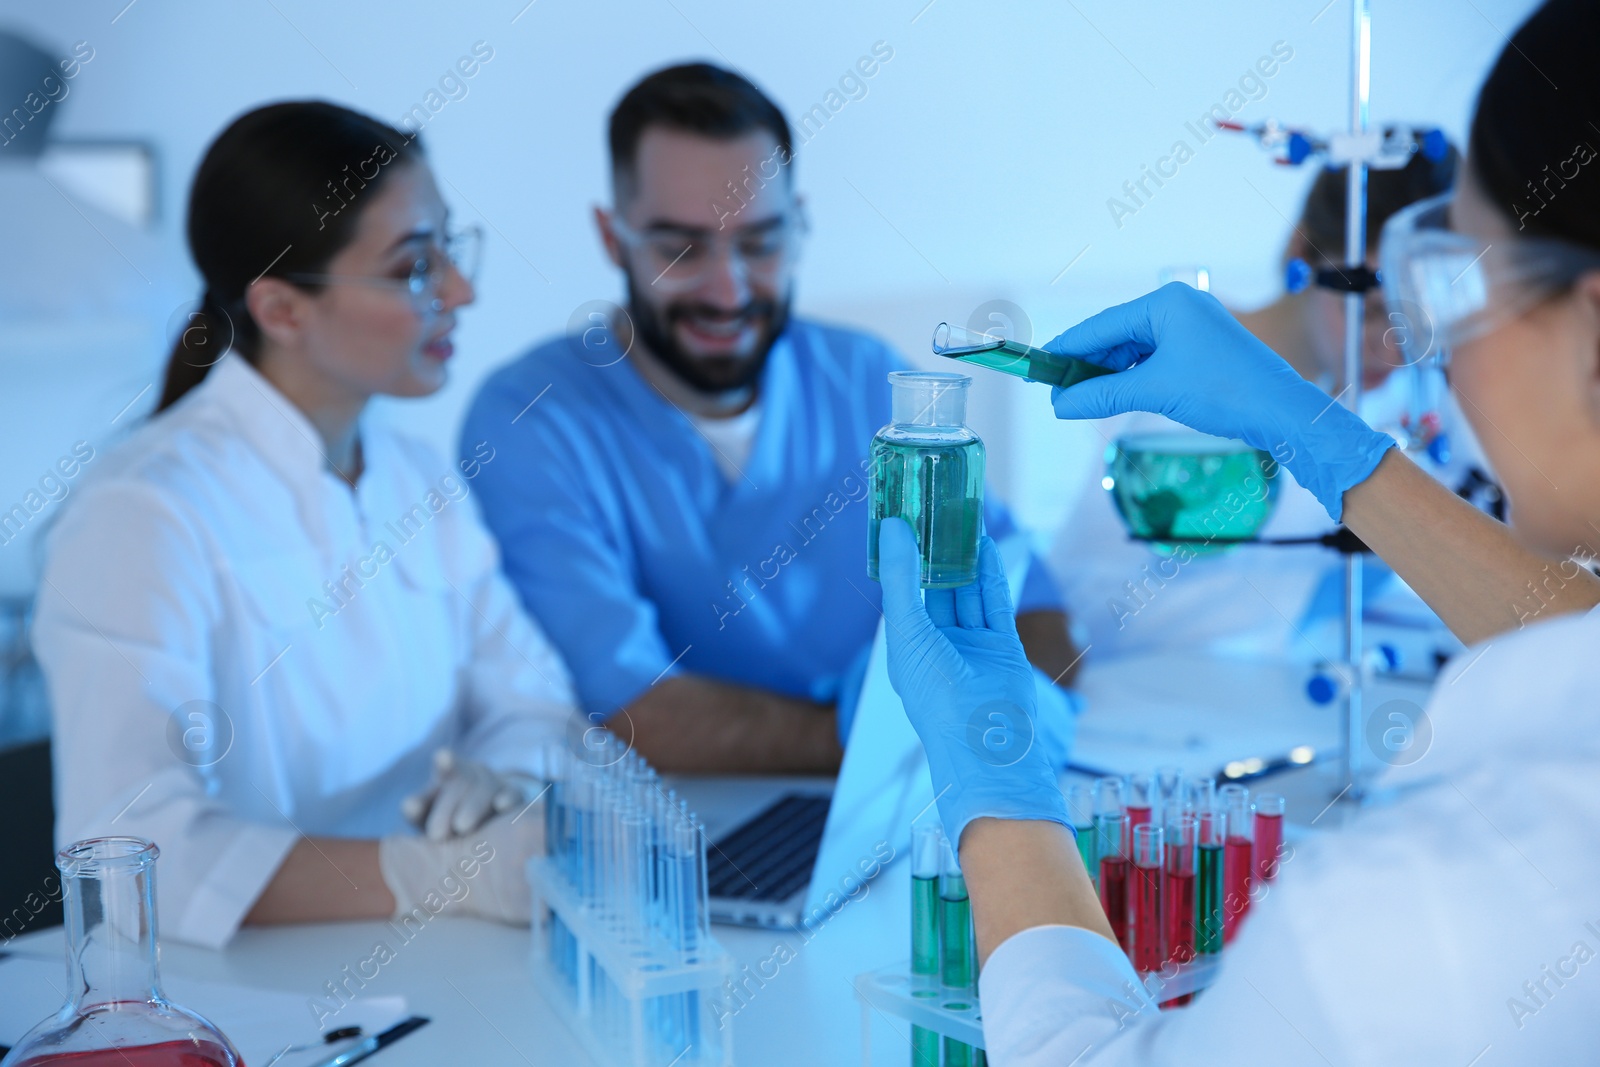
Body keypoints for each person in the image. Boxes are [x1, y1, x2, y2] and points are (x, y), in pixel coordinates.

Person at [881, 0, 1600, 1059]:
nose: (1439, 358)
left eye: (1459, 285)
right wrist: (1318, 437)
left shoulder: (1420, 910)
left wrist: (995, 789)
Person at [31, 102, 576, 949]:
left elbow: (533, 693)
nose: (461, 292)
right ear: (282, 310)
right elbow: (128, 850)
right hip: (256, 995)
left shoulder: (416, 475)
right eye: (415, 267)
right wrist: (422, 874)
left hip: (453, 958)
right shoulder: (142, 515)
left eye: (450, 250)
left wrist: (503, 782)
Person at [462, 64, 1081, 774]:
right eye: (680, 249)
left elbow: (1030, 610)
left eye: (759, 243)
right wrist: (893, 738)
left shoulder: (863, 380)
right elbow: (636, 710)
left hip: (904, 803)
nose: (727, 290)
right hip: (696, 837)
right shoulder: (533, 418)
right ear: (612, 237)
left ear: (800, 226)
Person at [1050, 138, 1484, 663]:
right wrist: (1302, 597)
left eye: (1418, 322)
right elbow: (1082, 619)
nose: (1394, 350)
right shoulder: (1184, 382)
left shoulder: (1405, 402)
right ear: (1301, 256)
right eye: (1371, 311)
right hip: (1153, 711)